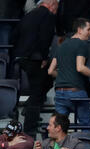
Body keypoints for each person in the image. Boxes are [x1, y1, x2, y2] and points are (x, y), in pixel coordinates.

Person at [48, 18, 90, 126]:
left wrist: (64, 75)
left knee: (59, 127)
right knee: (85, 124)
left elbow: (50, 71)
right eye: (89, 30)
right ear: (79, 30)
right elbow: (80, 68)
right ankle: (86, 143)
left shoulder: (62, 45)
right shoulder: (82, 44)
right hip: (76, 91)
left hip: (59, 92)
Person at [13, 0, 59, 137]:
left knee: (46, 81)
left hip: (22, 57)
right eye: (56, 7)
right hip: (36, 58)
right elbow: (45, 36)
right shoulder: (48, 16)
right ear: (51, 5)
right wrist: (44, 57)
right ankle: (29, 128)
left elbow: (14, 36)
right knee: (37, 91)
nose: (57, 10)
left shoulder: (28, 15)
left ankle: (29, 108)